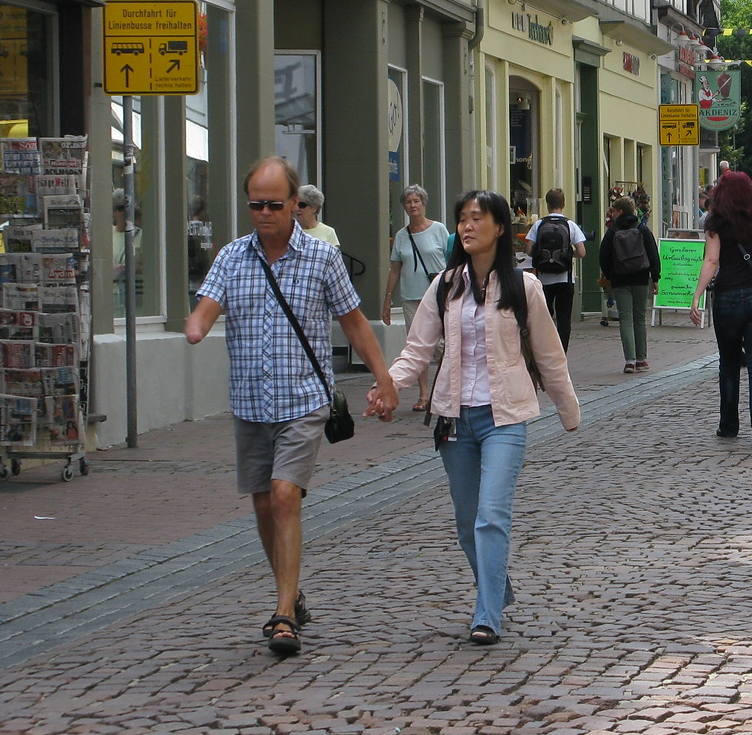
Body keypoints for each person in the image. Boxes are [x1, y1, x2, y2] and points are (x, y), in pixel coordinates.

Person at [186, 157, 399, 657]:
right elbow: (205, 309)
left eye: (274, 204)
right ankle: (292, 591)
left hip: (304, 400)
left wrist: (384, 378)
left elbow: (355, 322)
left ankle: (283, 615)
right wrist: (196, 325)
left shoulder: (321, 257)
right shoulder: (232, 258)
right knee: (263, 503)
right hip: (250, 403)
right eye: (255, 204)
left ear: (295, 204)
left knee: (284, 496)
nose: (263, 213)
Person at [379, 190, 579, 646]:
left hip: (504, 418)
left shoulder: (523, 286)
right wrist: (388, 386)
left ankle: (486, 613)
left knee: (491, 516)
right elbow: (417, 350)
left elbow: (549, 355)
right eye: (462, 219)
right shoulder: (446, 285)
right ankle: (498, 586)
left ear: (500, 228)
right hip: (453, 419)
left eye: (477, 218)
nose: (467, 227)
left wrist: (568, 410)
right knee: (468, 522)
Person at [688, 169, 752, 441]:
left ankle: (729, 425)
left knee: (728, 364)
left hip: (727, 298)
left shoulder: (716, 220)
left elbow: (712, 261)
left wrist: (697, 294)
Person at [383, 185, 452, 410]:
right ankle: (423, 395)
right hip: (411, 298)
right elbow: (395, 269)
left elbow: (451, 261)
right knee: (418, 346)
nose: (412, 205)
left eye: (416, 201)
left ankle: (446, 390)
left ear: (424, 204)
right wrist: (387, 299)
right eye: (408, 202)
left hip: (437, 295)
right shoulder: (402, 236)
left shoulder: (439, 230)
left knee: (445, 345)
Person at [598, 195, 660, 372]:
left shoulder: (612, 231)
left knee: (625, 318)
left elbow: (604, 256)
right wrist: (655, 277)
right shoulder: (642, 229)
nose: (613, 214)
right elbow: (653, 253)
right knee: (639, 318)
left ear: (620, 211)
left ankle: (630, 361)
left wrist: (610, 275)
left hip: (620, 279)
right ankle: (642, 360)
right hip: (641, 278)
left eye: (615, 210)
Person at [525, 188, 587, 350]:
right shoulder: (569, 225)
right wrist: (566, 255)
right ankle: (561, 353)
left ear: (547, 204)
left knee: (544, 318)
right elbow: (582, 252)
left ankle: (543, 351)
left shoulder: (539, 225)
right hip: (564, 279)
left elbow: (529, 250)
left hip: (543, 279)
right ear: (563, 204)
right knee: (564, 319)